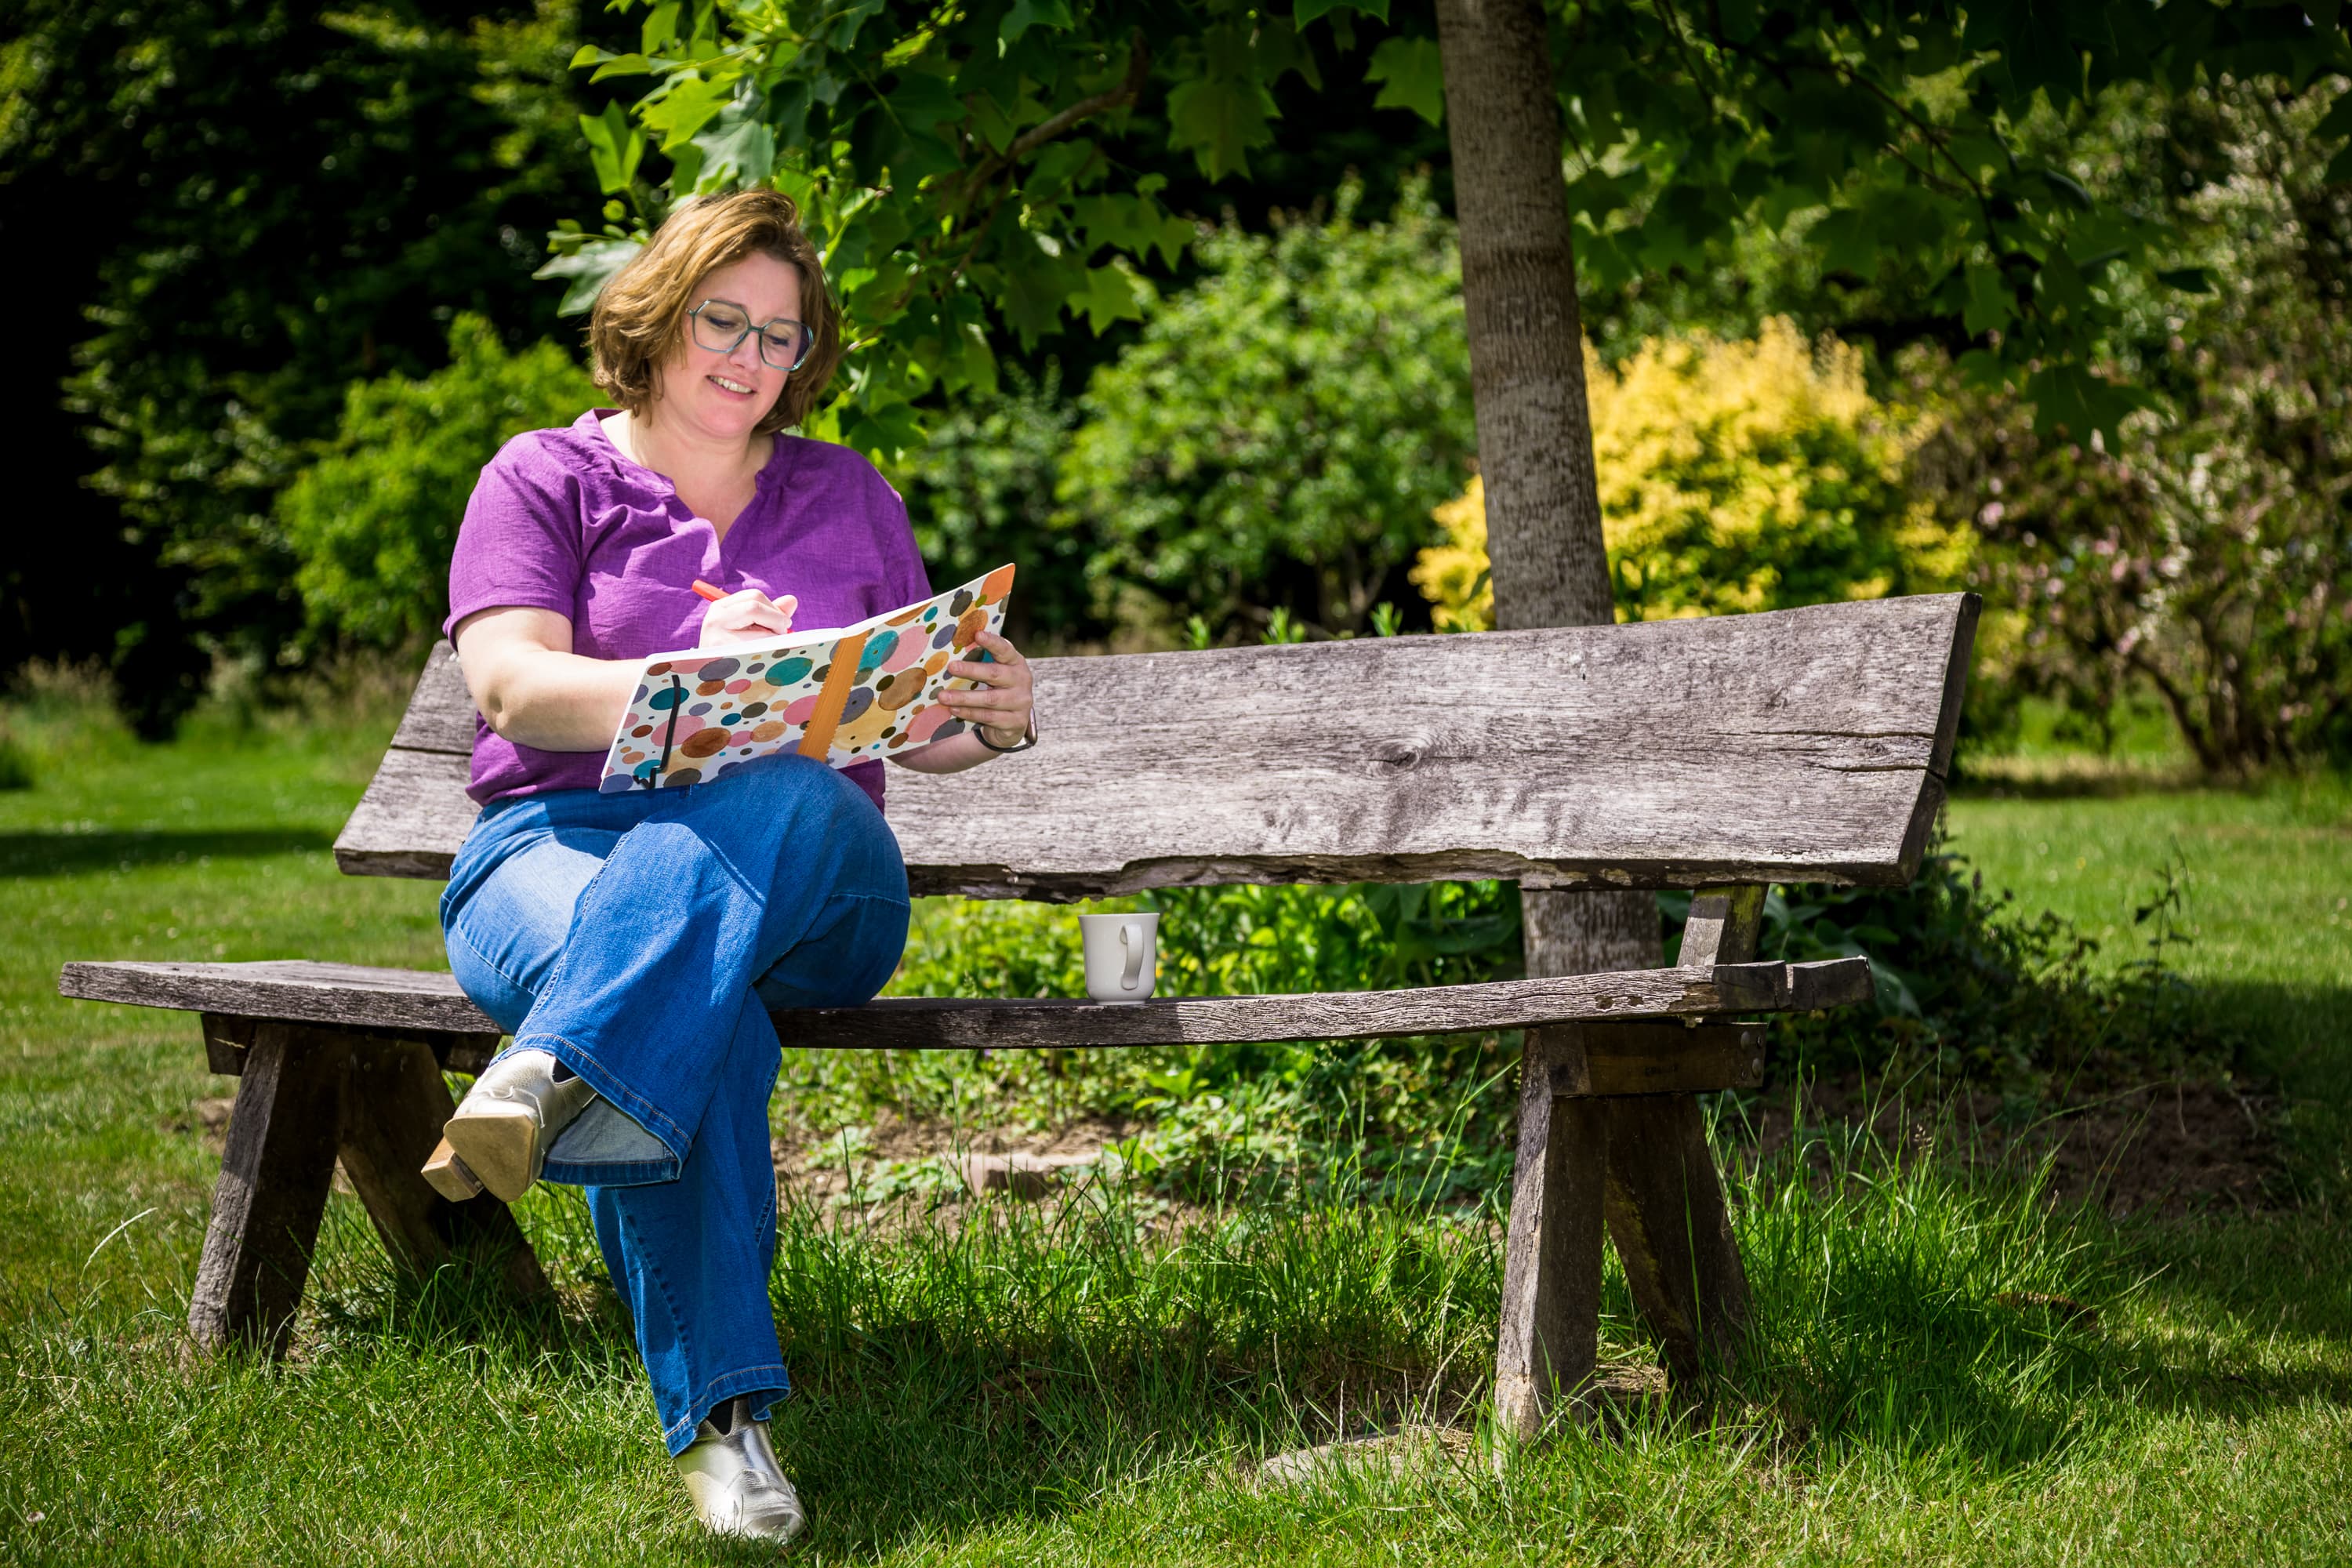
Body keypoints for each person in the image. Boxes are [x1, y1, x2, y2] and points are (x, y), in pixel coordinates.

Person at [429, 187, 1036, 1544]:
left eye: (783, 334)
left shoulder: (846, 492)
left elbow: (911, 724)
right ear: (658, 314)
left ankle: (565, 1056)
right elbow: (517, 691)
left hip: (817, 879)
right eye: (725, 320)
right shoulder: (544, 478)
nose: (752, 358)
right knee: (700, 1035)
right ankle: (727, 1429)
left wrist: (985, 720)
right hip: (551, 854)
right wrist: (696, 680)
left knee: (780, 780)